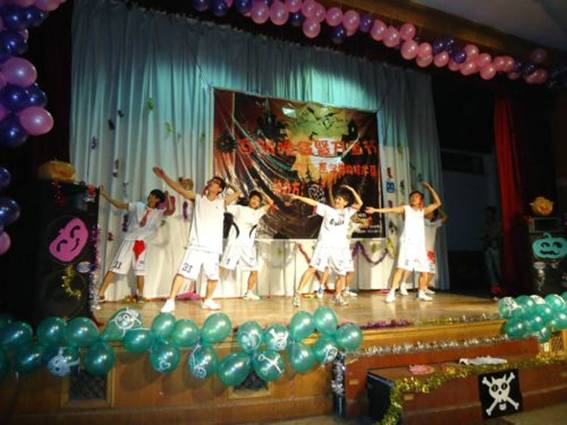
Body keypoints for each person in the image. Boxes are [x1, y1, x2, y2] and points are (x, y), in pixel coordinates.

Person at [153, 166, 241, 312]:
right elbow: (178, 189)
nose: (211, 183)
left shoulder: (222, 202)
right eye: (211, 181)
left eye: (215, 182)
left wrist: (228, 184)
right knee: (182, 273)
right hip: (196, 246)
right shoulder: (198, 199)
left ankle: (208, 300)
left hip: (213, 249)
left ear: (219, 189)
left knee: (213, 277)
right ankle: (171, 300)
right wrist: (164, 176)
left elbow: (238, 193)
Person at [366, 182, 442, 303]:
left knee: (425, 271)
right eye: (411, 197)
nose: (413, 198)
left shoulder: (423, 211)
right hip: (407, 244)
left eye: (416, 197)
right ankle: (392, 292)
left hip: (419, 246)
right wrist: (375, 210)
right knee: (400, 268)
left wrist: (429, 188)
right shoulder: (406, 209)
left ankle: (421, 293)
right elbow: (391, 209)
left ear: (421, 200)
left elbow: (438, 203)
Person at [96, 186, 173, 305]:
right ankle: (100, 294)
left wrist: (167, 197)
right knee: (115, 267)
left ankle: (140, 295)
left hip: (141, 243)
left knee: (140, 271)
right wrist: (104, 194)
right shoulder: (138, 205)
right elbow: (119, 205)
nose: (149, 196)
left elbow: (170, 211)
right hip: (129, 240)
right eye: (150, 194)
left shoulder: (158, 213)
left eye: (152, 195)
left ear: (157, 199)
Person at [289, 184, 363, 307]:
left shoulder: (347, 212)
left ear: (345, 203)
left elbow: (360, 203)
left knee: (342, 274)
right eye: (336, 199)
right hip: (324, 246)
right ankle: (297, 294)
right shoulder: (327, 210)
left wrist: (351, 189)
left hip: (338, 249)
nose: (337, 201)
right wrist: (298, 197)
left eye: (340, 199)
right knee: (312, 268)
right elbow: (313, 202)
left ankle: (337, 296)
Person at [220, 189, 274, 301]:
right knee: (223, 267)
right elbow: (223, 204)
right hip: (234, 245)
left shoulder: (258, 212)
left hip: (247, 248)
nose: (255, 201)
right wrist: (236, 194)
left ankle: (248, 293)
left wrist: (261, 192)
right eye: (253, 198)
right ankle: (209, 293)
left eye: (258, 200)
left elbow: (271, 203)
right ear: (249, 199)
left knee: (254, 270)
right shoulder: (239, 209)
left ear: (259, 203)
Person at [483, 206, 503, 299]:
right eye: (486, 214)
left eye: (489, 213)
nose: (487, 215)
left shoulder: (497, 224)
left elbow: (496, 235)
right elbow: (483, 234)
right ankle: (494, 289)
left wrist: (492, 239)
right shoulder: (486, 224)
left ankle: (502, 287)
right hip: (487, 247)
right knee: (490, 269)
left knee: (498, 268)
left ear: (493, 214)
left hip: (495, 247)